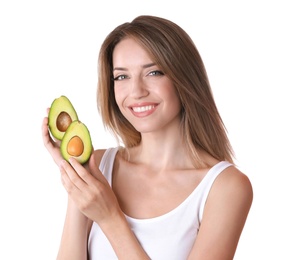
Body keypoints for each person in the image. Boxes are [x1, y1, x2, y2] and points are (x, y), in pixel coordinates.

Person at [42, 15, 253, 260]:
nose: (136, 91)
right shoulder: (99, 164)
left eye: (153, 72)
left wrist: (110, 218)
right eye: (122, 76)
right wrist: (76, 177)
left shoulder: (225, 187)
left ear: (184, 78)